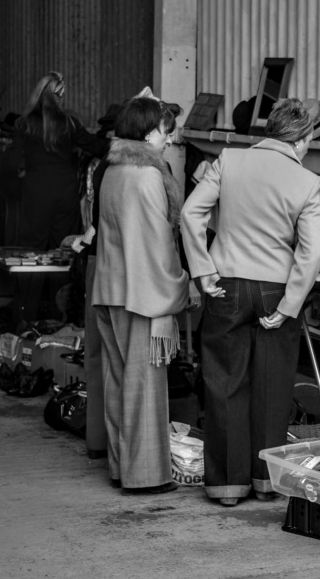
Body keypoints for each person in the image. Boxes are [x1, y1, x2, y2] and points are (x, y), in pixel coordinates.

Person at [181, 98, 320, 506]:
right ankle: (266, 481)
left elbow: (191, 213)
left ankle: (227, 486)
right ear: (302, 138)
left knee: (225, 382)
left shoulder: (229, 160)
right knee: (272, 386)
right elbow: (310, 254)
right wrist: (290, 304)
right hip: (274, 290)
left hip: (226, 283)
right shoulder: (307, 181)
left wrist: (202, 269)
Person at [92, 97, 188, 494]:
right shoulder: (148, 176)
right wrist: (180, 286)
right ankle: (144, 477)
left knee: (118, 385)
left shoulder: (113, 170)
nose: (170, 139)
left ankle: (121, 467)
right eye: (166, 132)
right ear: (150, 132)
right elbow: (157, 244)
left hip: (111, 290)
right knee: (145, 389)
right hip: (143, 294)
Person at [14, 72, 108, 249]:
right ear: (59, 96)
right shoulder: (70, 123)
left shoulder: (23, 124)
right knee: (63, 247)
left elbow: (15, 161)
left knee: (32, 249)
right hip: (65, 191)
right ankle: (61, 277)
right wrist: (130, 143)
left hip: (35, 192)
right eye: (61, 95)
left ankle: (33, 278)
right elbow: (96, 146)